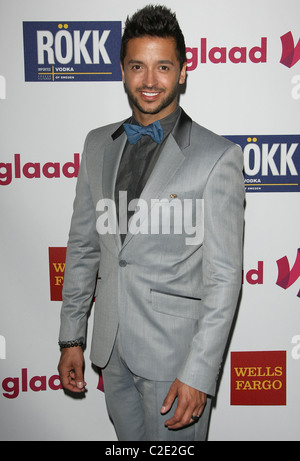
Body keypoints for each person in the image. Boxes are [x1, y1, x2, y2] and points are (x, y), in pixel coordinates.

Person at [58, 5, 244, 441]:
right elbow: (84, 247)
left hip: (176, 360)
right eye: (137, 66)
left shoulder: (217, 157)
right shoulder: (97, 144)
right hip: (112, 349)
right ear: (122, 71)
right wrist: (72, 337)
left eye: (163, 66)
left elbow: (224, 277)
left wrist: (199, 373)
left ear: (182, 71)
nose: (149, 80)